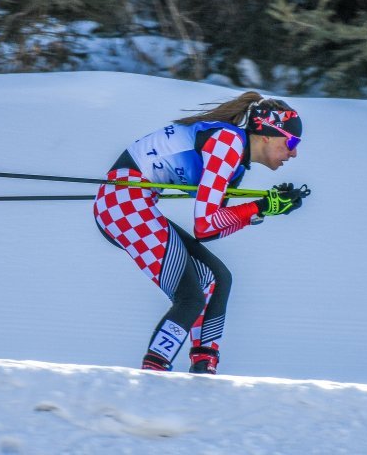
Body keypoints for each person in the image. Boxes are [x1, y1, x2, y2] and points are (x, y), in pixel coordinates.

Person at [93, 91, 308, 374]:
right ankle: (154, 372)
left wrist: (263, 210)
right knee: (191, 297)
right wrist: (260, 206)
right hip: (122, 201)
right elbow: (205, 224)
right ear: (267, 134)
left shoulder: (236, 166)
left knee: (218, 279)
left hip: (131, 202)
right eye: (291, 142)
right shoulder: (228, 143)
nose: (294, 153)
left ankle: (204, 367)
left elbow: (210, 230)